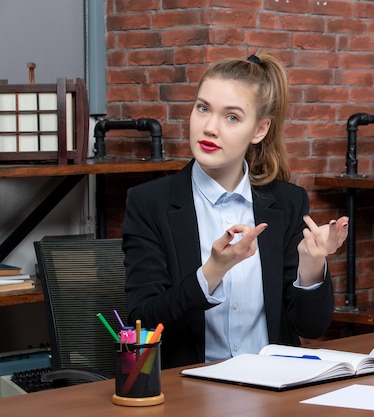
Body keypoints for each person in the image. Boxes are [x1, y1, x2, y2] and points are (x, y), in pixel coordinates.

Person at [122, 51, 349, 369]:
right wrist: (212, 270)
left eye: (232, 117)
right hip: (189, 392)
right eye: (203, 108)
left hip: (273, 387)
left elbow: (310, 328)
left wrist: (312, 264)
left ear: (259, 130)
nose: (210, 127)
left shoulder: (287, 202)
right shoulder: (149, 203)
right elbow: (142, 321)